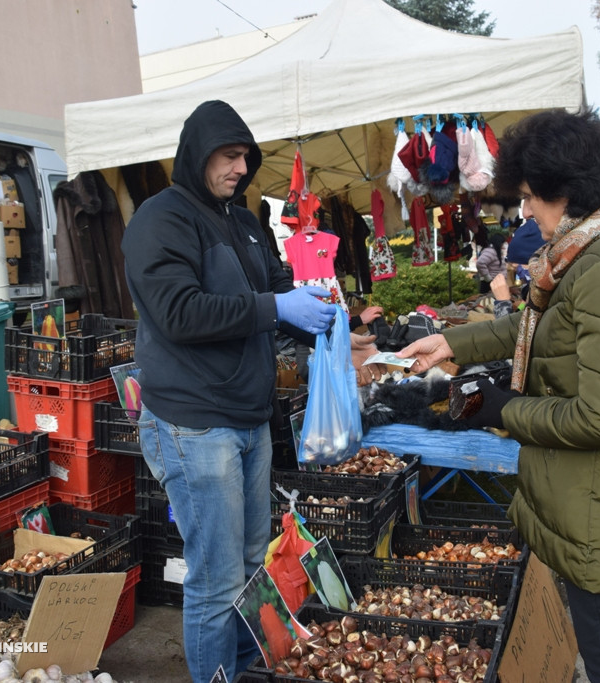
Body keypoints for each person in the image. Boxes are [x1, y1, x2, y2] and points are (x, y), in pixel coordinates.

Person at [397, 108, 600, 683]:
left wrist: (501, 408)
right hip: (598, 495)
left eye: (531, 197)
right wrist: (448, 341)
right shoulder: (592, 250)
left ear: (567, 191)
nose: (526, 210)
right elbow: (534, 325)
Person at [120, 100, 381, 683]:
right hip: (194, 423)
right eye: (229, 156)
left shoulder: (241, 221)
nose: (241, 168)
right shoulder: (161, 220)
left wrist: (331, 330)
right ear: (198, 153)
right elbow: (179, 312)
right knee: (214, 579)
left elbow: (278, 292)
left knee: (245, 562)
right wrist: (274, 306)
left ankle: (240, 668)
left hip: (248, 415)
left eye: (246, 157)